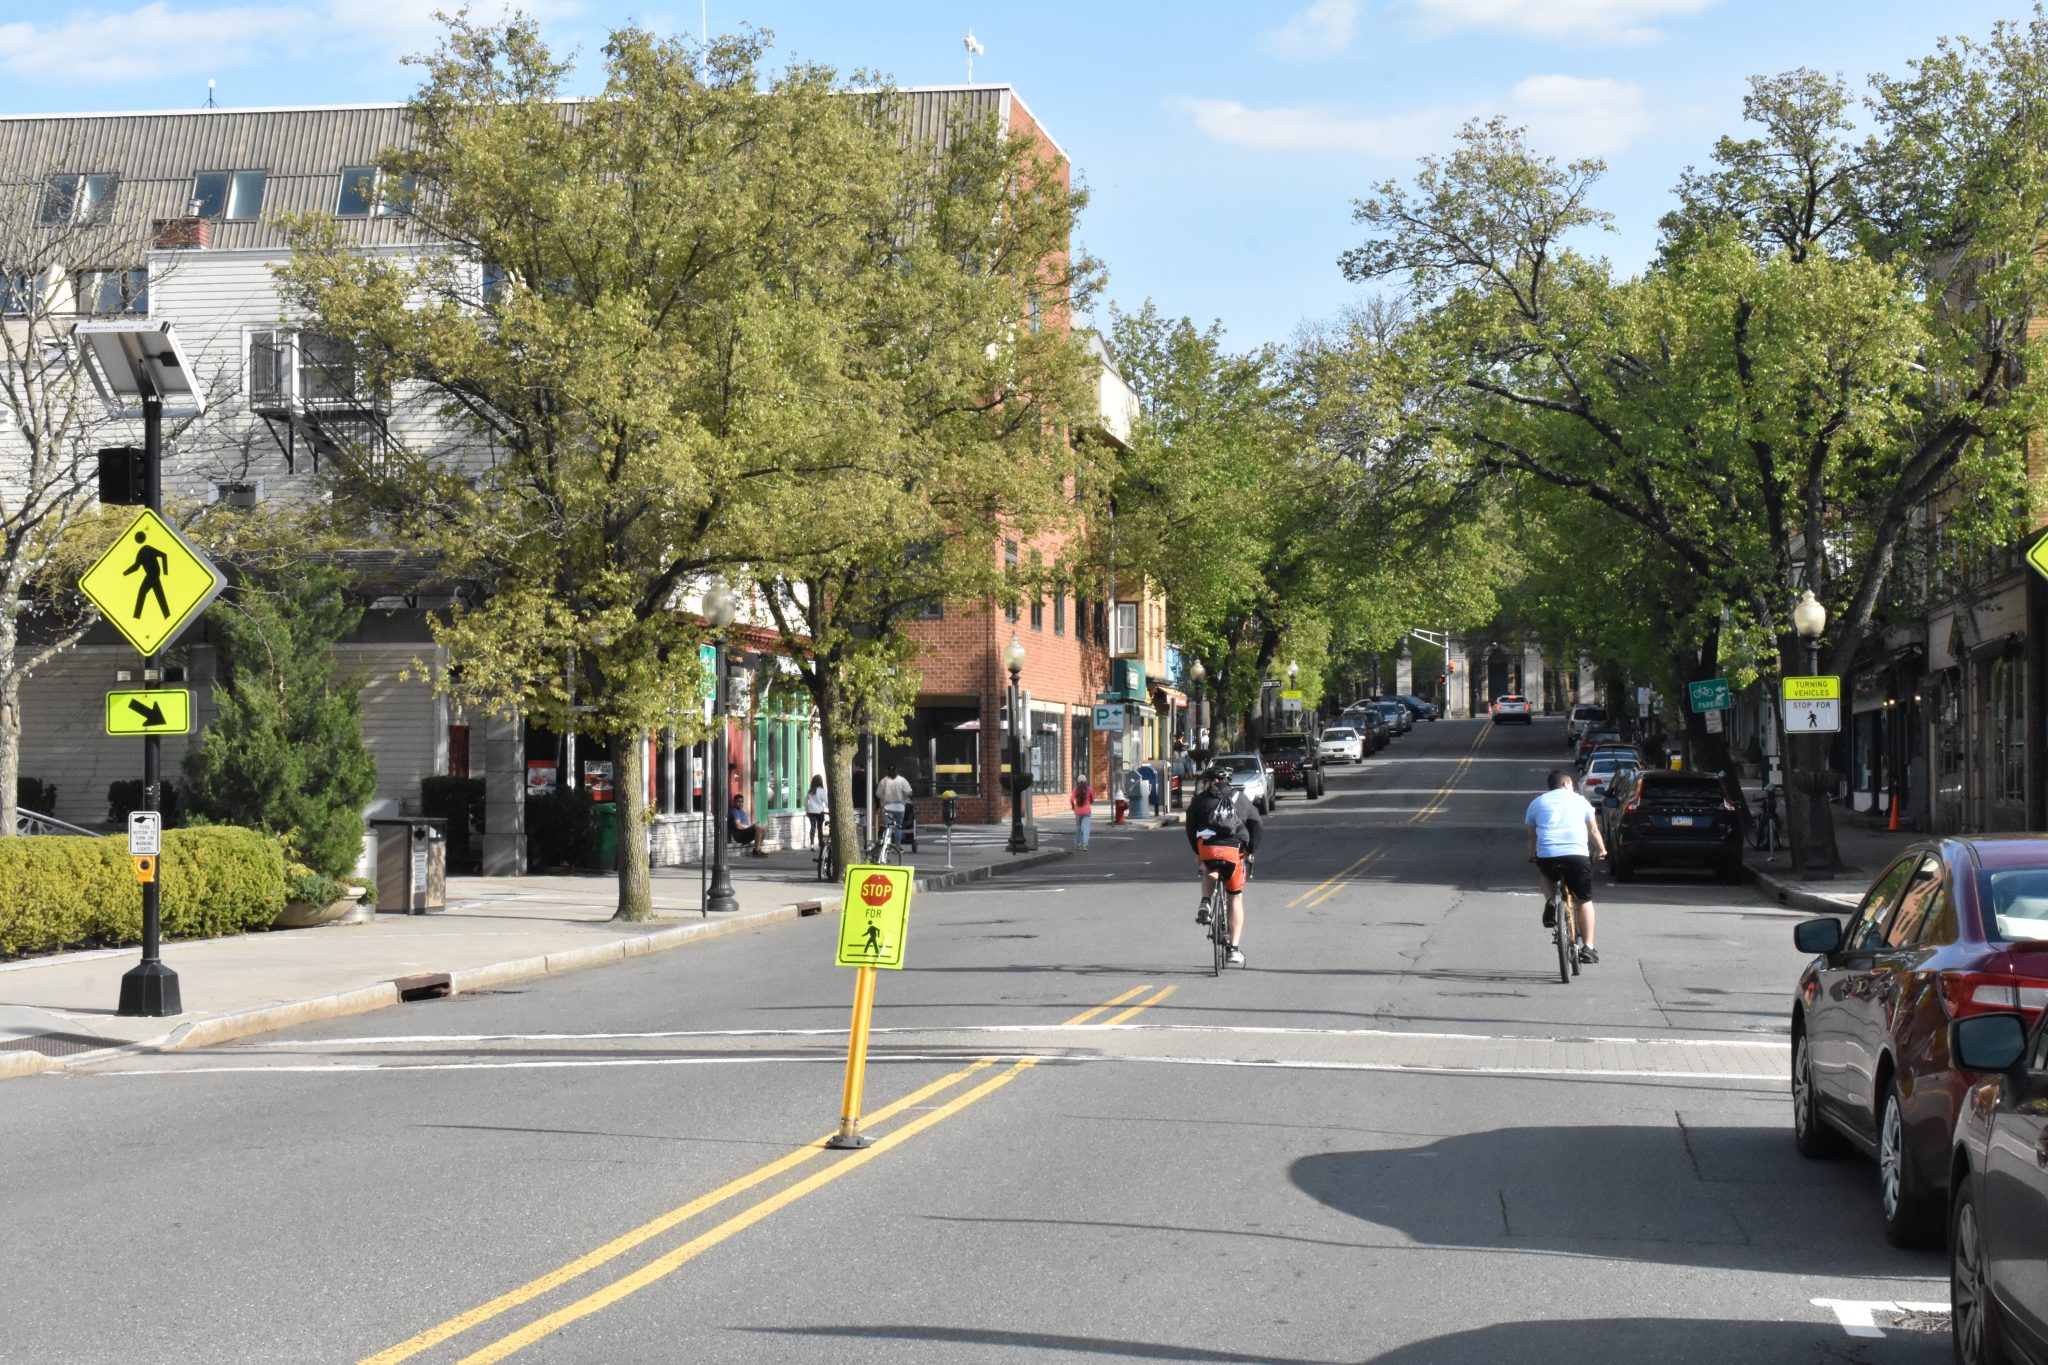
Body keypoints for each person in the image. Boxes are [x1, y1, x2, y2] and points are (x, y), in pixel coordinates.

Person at [1525, 768, 1607, 964]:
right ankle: (1588, 947)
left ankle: (1550, 901)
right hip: (1577, 855)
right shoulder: (1580, 801)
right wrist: (1601, 849)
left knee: (1545, 873)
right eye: (1571, 784)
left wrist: (1531, 855)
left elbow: (1531, 834)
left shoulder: (1538, 802)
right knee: (1584, 901)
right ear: (1565, 784)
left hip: (1549, 854)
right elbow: (1593, 829)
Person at [1185, 763, 1262, 966]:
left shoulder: (1201, 800)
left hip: (1208, 848)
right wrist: (1250, 850)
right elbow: (1257, 823)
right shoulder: (1240, 798)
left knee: (1208, 867)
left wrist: (1197, 852)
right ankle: (1234, 950)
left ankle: (1205, 902)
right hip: (1233, 850)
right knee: (1235, 897)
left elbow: (1190, 826)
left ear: (1214, 781)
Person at [876, 765, 913, 840]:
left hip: (887, 807)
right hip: (900, 808)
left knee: (888, 827)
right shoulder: (902, 780)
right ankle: (897, 846)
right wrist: (903, 797)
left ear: (887, 771)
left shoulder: (884, 781)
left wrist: (882, 802)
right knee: (898, 827)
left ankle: (887, 844)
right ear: (896, 770)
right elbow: (909, 792)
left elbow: (879, 794)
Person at [804, 774, 828, 849]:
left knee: (812, 827)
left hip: (811, 811)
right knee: (820, 828)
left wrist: (807, 810)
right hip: (820, 811)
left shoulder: (810, 790)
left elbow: (805, 801)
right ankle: (820, 843)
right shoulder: (822, 791)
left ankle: (812, 844)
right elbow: (826, 801)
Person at [1070, 774, 1094, 849]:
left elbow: (1071, 799)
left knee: (1078, 827)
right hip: (1087, 811)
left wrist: (1073, 806)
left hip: (1078, 811)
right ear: (1086, 781)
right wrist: (1089, 801)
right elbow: (1092, 800)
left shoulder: (1075, 789)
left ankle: (1077, 844)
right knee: (1086, 828)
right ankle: (1085, 844)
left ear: (1078, 781)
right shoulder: (1089, 789)